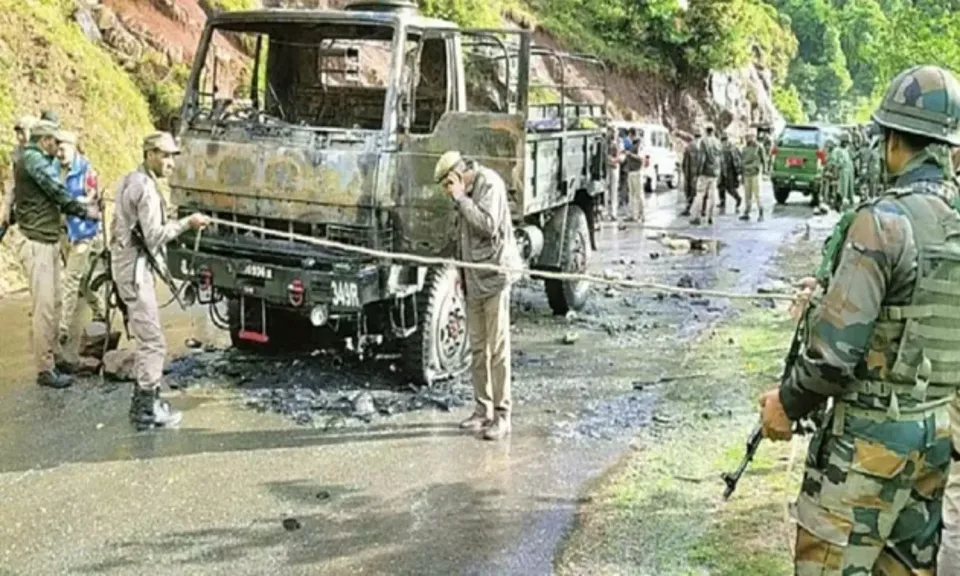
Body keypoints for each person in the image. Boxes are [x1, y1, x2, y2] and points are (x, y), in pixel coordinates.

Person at [758, 64, 960, 576]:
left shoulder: (884, 222)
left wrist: (785, 403)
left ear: (893, 140)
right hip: (933, 435)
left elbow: (832, 357)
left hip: (866, 446)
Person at [111, 132, 209, 430]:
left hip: (125, 266)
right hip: (135, 273)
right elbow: (154, 236)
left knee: (146, 337)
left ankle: (149, 400)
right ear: (149, 154)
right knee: (153, 341)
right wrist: (187, 223)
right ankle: (145, 409)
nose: (170, 162)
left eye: (173, 156)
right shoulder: (147, 190)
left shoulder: (130, 179)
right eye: (165, 156)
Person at [433, 151, 519, 441]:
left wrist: (461, 198)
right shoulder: (462, 197)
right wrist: (460, 273)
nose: (448, 192)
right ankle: (482, 411)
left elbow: (486, 225)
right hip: (473, 281)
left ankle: (503, 415)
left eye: (448, 185)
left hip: (494, 279)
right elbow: (462, 237)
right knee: (479, 348)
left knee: (497, 349)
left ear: (458, 175)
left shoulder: (489, 184)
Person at [13, 119, 100, 388]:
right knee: (45, 308)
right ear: (44, 140)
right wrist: (86, 211)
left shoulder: (35, 158)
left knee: (57, 303)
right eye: (55, 141)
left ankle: (59, 358)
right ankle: (45, 368)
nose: (59, 146)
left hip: (47, 239)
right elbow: (57, 192)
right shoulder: (33, 160)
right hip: (37, 241)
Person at [54, 130, 106, 365]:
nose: (60, 152)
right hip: (63, 231)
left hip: (83, 232)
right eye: (57, 147)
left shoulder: (86, 169)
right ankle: (100, 309)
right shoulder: (54, 168)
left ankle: (63, 327)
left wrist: (73, 202)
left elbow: (92, 197)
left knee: (71, 278)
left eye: (63, 148)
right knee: (82, 279)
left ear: (73, 148)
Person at [690, 123, 721, 225]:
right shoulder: (717, 142)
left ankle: (697, 217)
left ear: (706, 130)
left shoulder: (704, 141)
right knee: (712, 196)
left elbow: (702, 158)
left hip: (705, 172)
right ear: (713, 130)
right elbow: (720, 158)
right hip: (715, 173)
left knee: (700, 195)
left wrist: (697, 173)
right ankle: (710, 217)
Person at [739, 131, 764, 221]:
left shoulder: (759, 147)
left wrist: (764, 171)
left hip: (755, 173)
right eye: (747, 137)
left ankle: (761, 212)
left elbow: (763, 159)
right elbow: (742, 161)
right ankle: (747, 211)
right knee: (747, 194)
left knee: (757, 194)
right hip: (746, 173)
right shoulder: (745, 149)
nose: (748, 139)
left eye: (750, 137)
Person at [623, 128, 646, 223]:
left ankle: (642, 214)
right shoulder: (633, 145)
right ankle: (633, 215)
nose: (630, 138)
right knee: (631, 194)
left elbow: (641, 158)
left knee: (639, 194)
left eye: (630, 136)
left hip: (637, 171)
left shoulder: (640, 145)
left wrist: (630, 154)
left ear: (633, 135)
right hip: (631, 171)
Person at [718, 132, 742, 214]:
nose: (724, 141)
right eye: (723, 139)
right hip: (723, 170)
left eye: (724, 139)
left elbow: (738, 158)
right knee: (721, 186)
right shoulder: (724, 147)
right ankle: (722, 202)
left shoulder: (730, 147)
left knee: (730, 188)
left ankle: (738, 198)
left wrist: (738, 170)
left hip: (729, 170)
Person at [680, 129, 702, 216]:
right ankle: (702, 210)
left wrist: (685, 172)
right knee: (700, 192)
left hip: (690, 173)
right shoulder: (703, 147)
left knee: (689, 192)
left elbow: (684, 162)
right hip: (700, 173)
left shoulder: (689, 147)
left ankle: (688, 208)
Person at [605, 126, 623, 221]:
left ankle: (613, 212)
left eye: (615, 132)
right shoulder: (606, 141)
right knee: (606, 189)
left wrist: (617, 160)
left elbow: (623, 155)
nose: (613, 134)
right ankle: (605, 211)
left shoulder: (620, 142)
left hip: (615, 166)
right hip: (607, 166)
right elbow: (604, 153)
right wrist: (609, 159)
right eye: (612, 131)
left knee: (614, 189)